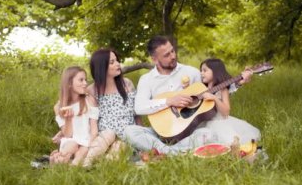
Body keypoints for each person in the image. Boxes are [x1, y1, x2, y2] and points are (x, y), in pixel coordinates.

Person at [122, 35, 253, 155]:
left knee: (208, 134)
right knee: (129, 132)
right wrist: (169, 101)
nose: (173, 56)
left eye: (172, 51)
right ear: (155, 59)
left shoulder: (192, 72)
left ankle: (163, 152)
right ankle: (172, 152)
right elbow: (139, 107)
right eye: (167, 55)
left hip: (190, 132)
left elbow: (213, 91)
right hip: (161, 133)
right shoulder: (147, 79)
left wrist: (239, 83)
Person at [49, 66, 116, 166]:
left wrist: (88, 145)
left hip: (88, 141)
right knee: (72, 145)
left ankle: (75, 163)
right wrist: (68, 119)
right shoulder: (59, 107)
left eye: (85, 80)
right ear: (69, 84)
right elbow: (67, 135)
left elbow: (94, 130)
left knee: (108, 135)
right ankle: (65, 158)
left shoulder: (89, 100)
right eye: (81, 80)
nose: (85, 83)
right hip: (70, 142)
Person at [86, 48, 142, 157]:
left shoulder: (127, 84)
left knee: (117, 151)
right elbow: (90, 119)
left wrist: (141, 135)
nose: (118, 64)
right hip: (104, 137)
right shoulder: (92, 90)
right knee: (101, 147)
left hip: (126, 137)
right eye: (112, 62)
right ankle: (86, 163)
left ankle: (103, 164)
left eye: (117, 60)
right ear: (101, 67)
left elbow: (137, 115)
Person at [199, 58, 260, 145]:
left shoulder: (222, 90)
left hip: (219, 123)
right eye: (201, 70)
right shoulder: (201, 87)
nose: (201, 73)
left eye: (205, 70)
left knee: (228, 141)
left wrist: (215, 98)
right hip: (201, 122)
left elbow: (226, 112)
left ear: (215, 71)